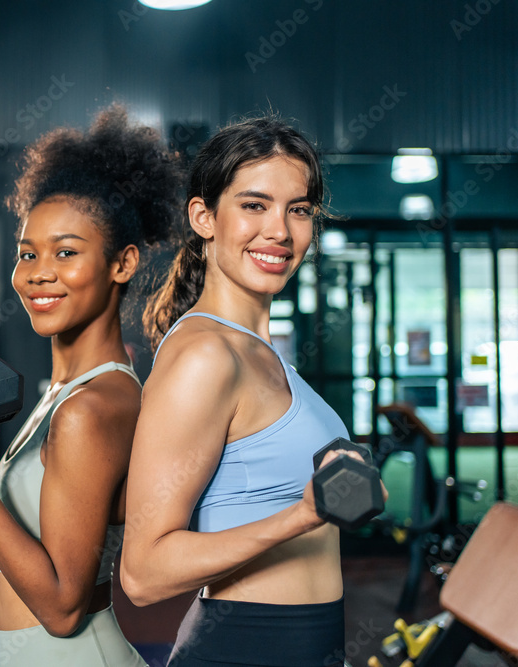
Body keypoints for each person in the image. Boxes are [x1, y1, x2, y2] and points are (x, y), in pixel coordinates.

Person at [121, 115, 384, 667]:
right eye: (254, 205)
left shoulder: (256, 352)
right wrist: (301, 515)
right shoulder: (205, 356)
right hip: (245, 645)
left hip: (306, 644)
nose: (281, 232)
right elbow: (143, 572)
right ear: (204, 217)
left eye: (299, 209)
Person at [0, 105, 183, 666]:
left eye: (66, 252)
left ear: (122, 264)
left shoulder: (89, 410)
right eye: (28, 253)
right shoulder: (66, 393)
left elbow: (64, 609)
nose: (39, 272)